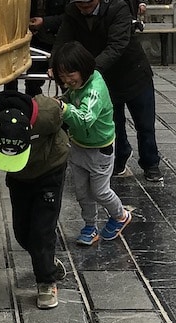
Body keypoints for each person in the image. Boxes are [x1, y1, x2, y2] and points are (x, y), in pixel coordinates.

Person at [51, 0, 161, 181]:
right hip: (103, 77)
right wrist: (55, 64)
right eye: (79, 2)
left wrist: (87, 70)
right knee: (113, 122)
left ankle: (150, 163)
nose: (84, 6)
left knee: (144, 124)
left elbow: (117, 46)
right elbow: (62, 39)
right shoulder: (73, 11)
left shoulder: (117, 7)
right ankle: (119, 159)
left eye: (88, 1)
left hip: (133, 73)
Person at [0, 88, 69, 309]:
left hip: (50, 169)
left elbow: (65, 115)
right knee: (22, 232)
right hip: (18, 174)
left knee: (42, 231)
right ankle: (47, 262)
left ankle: (46, 281)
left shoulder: (47, 113)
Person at [54, 41, 133, 246]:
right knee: (82, 192)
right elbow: (70, 97)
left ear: (83, 68)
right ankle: (90, 226)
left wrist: (64, 108)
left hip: (100, 150)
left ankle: (120, 215)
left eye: (70, 75)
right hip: (79, 145)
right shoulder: (77, 85)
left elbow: (85, 118)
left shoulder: (94, 89)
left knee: (100, 191)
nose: (67, 81)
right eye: (61, 76)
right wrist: (61, 100)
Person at [25, 0, 70, 93]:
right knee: (32, 81)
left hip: (58, 38)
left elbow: (70, 16)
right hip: (34, 40)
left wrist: (45, 22)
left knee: (65, 80)